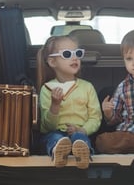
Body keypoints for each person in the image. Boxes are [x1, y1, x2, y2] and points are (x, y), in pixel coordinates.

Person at [37, 35, 102, 169]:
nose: (75, 58)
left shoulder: (87, 87)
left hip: (80, 132)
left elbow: (95, 117)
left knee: (80, 139)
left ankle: (83, 154)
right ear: (52, 62)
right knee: (54, 137)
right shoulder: (46, 89)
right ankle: (59, 152)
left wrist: (83, 129)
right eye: (67, 54)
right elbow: (46, 126)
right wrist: (55, 105)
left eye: (78, 53)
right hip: (55, 132)